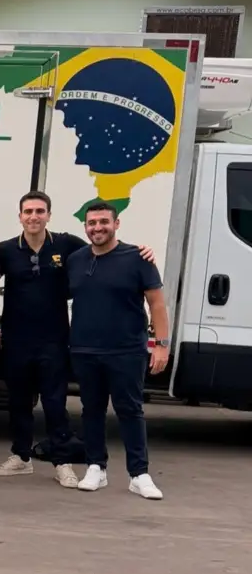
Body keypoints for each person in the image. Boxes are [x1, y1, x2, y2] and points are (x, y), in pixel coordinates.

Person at [0, 191, 156, 489]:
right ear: (20, 216)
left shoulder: (67, 245)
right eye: (28, 211)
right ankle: (21, 456)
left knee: (55, 403)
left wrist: (141, 250)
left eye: (40, 211)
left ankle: (62, 462)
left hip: (55, 339)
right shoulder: (6, 250)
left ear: (49, 215)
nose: (34, 217)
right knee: (19, 401)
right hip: (16, 338)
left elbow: (103, 247)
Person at [66, 201, 168, 500]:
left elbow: (157, 304)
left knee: (130, 411)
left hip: (127, 350)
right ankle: (96, 467)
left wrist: (161, 346)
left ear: (116, 224)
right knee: (91, 410)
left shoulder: (138, 258)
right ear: (85, 227)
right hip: (84, 349)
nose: (97, 227)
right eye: (91, 223)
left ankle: (139, 474)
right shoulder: (76, 260)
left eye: (103, 222)